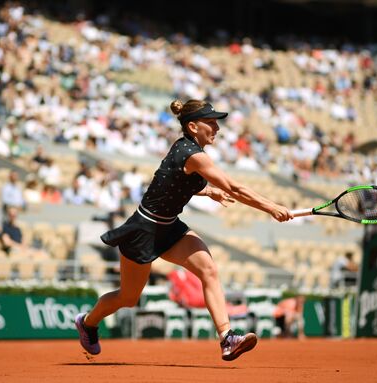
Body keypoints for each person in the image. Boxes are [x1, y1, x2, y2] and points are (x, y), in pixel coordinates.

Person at [75, 99, 294, 361]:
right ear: (192, 126)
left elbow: (171, 182)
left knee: (209, 270)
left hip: (169, 228)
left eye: (217, 122)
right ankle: (88, 323)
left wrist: (206, 190)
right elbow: (234, 188)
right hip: (144, 229)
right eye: (210, 122)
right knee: (128, 297)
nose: (217, 128)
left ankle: (227, 338)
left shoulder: (190, 151)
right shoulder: (191, 153)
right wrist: (271, 207)